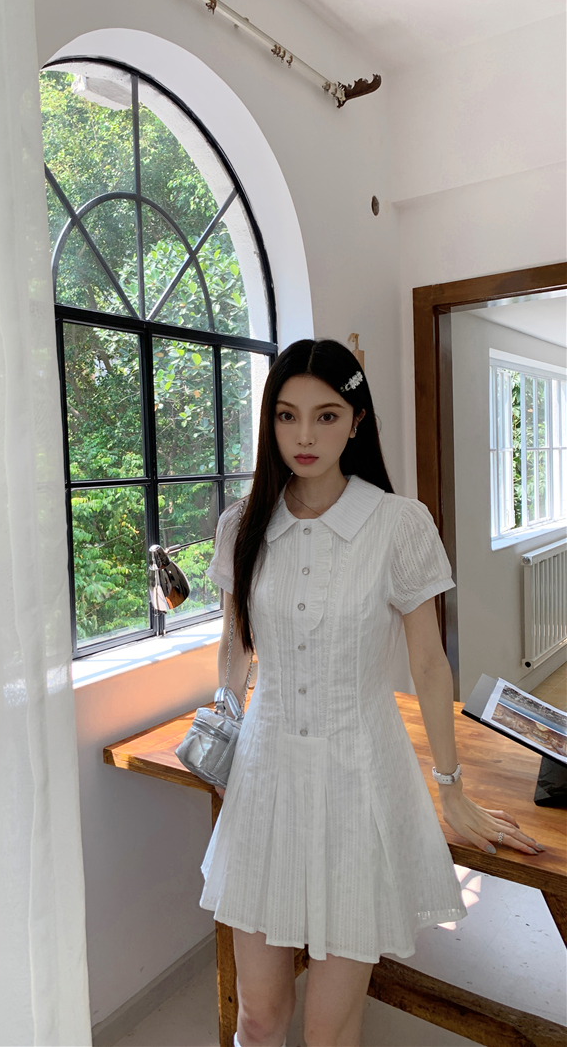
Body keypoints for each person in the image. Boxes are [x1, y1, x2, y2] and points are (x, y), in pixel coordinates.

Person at [201, 339, 545, 1047]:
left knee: (328, 1032)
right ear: (270, 423)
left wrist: (450, 788)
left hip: (359, 781)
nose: (304, 436)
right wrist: (221, 723)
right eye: (287, 416)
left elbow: (429, 664)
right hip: (264, 777)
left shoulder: (398, 525)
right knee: (259, 1016)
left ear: (356, 421)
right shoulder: (243, 523)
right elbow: (235, 642)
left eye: (326, 416)